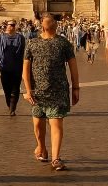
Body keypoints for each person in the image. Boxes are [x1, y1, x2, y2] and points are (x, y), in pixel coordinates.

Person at [22, 13, 79, 171]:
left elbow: (73, 67)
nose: (49, 22)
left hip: (58, 90)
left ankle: (56, 158)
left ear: (55, 24)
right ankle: (41, 147)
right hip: (38, 92)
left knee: (56, 124)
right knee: (38, 125)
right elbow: (25, 70)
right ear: (41, 24)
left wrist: (76, 88)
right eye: (46, 20)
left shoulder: (64, 43)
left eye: (51, 20)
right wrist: (28, 90)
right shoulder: (32, 43)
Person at [0, 20, 26, 115]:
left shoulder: (21, 38)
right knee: (6, 88)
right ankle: (9, 104)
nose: (12, 26)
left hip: (17, 67)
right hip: (4, 67)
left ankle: (12, 108)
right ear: (6, 26)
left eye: (14, 25)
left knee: (15, 88)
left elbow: (22, 52)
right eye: (10, 25)